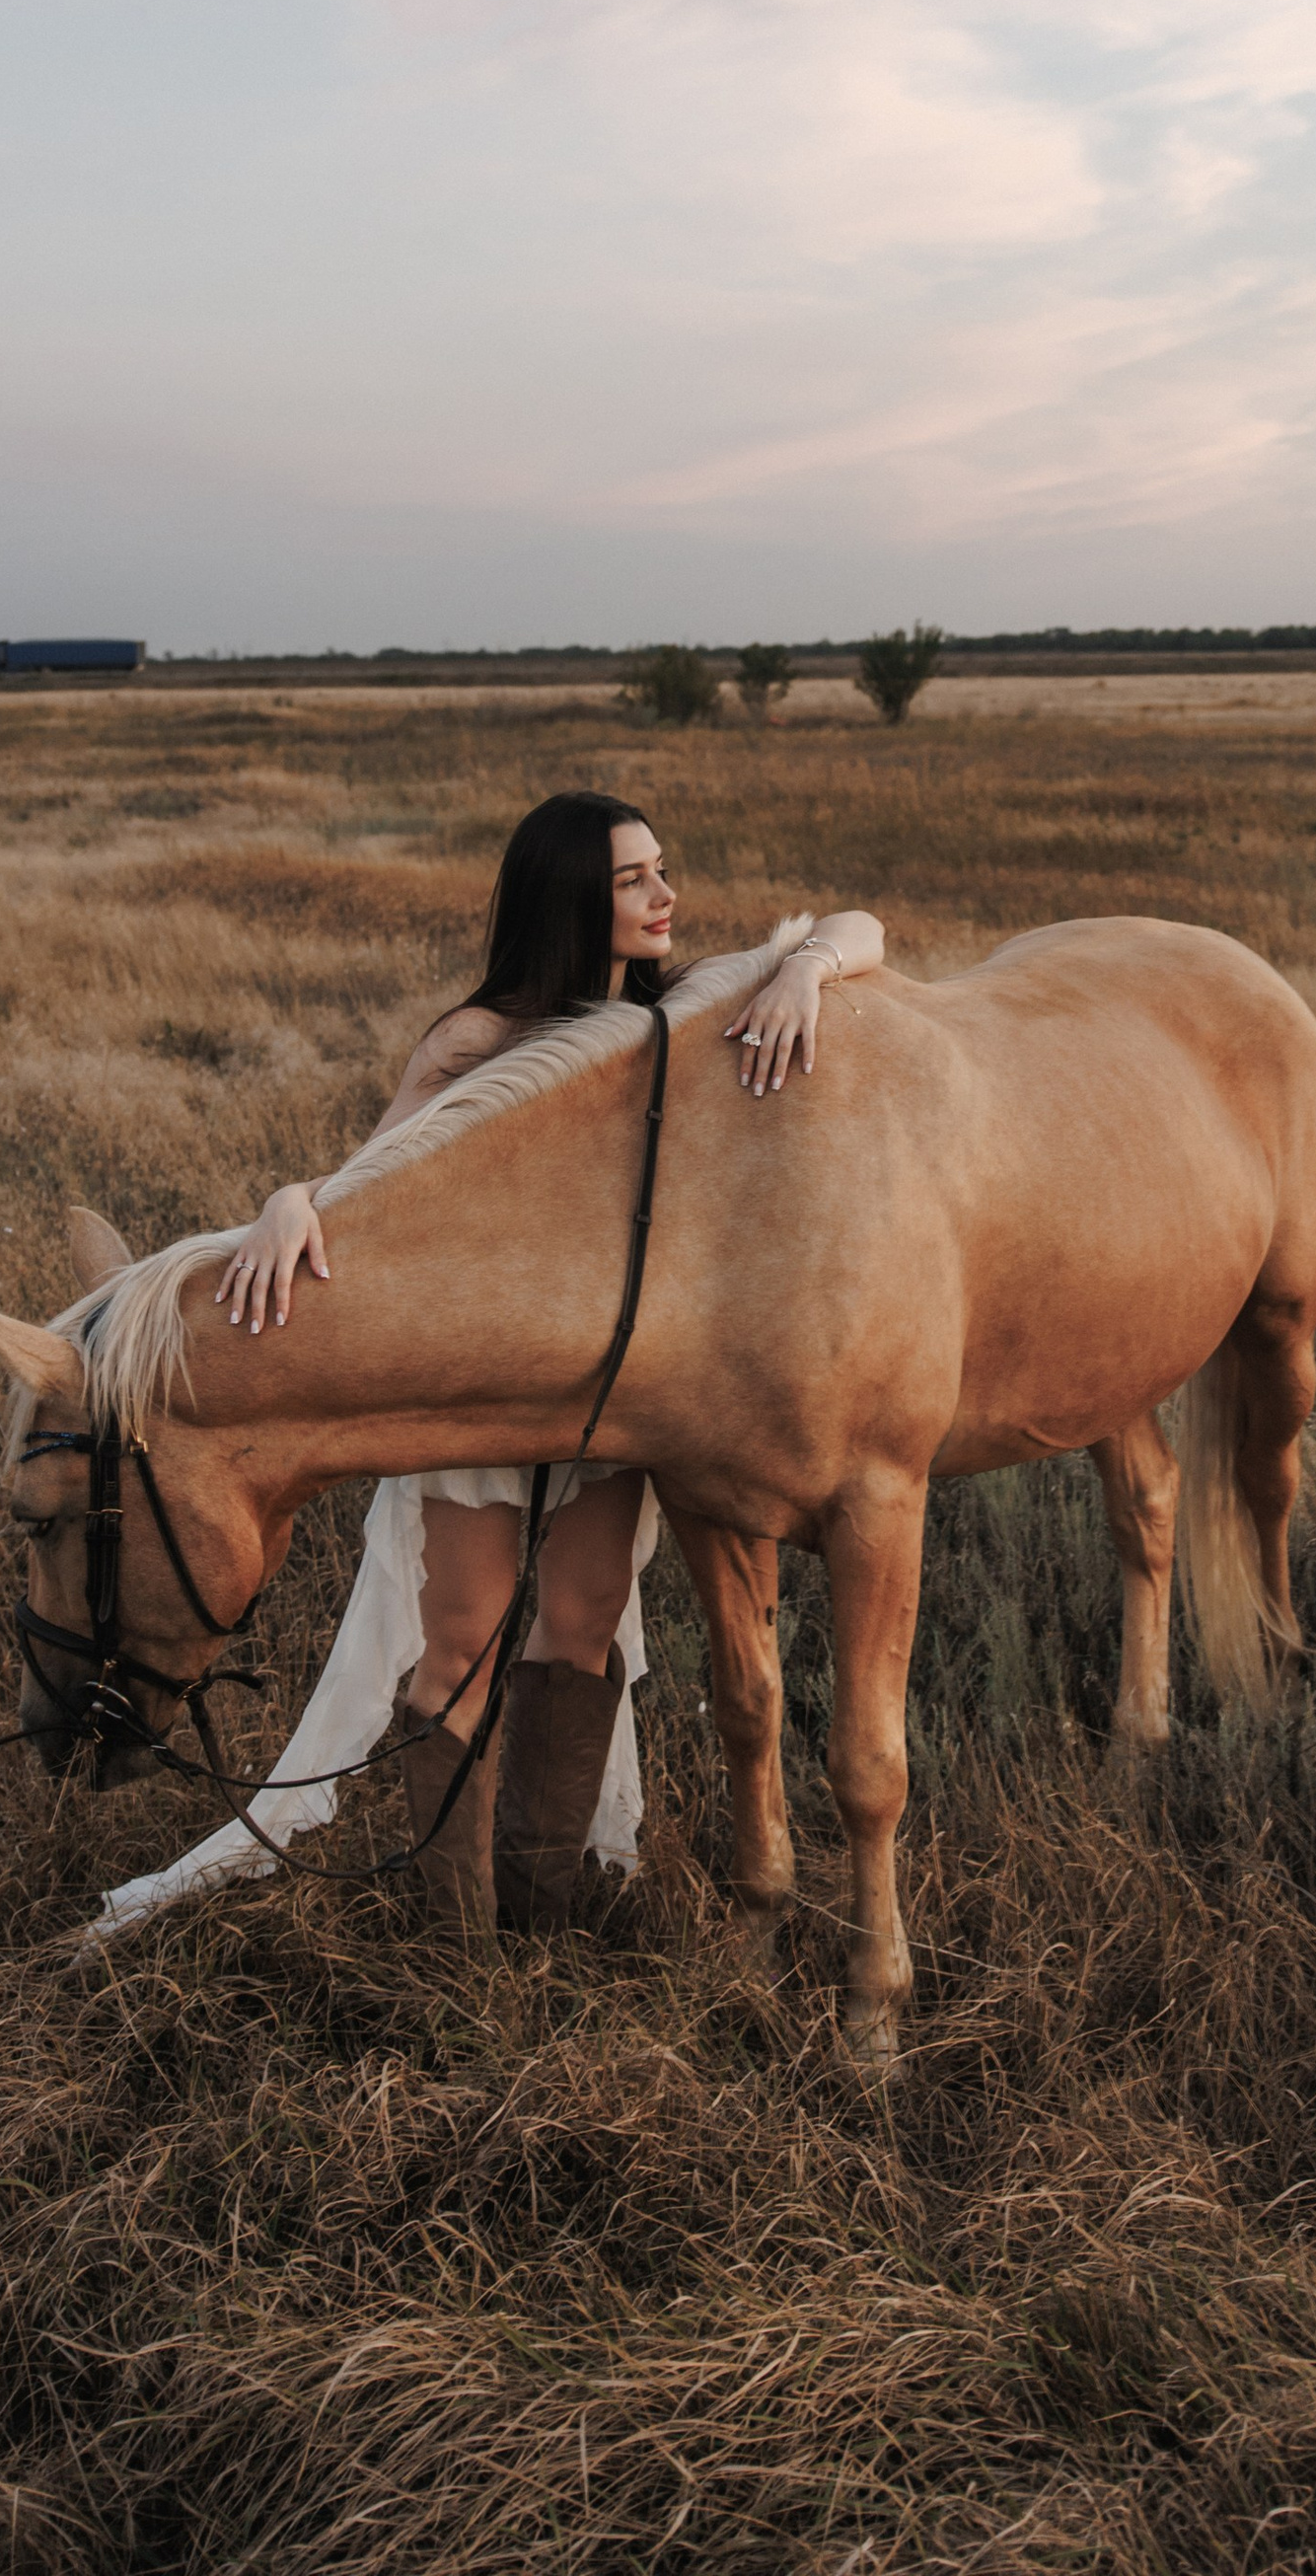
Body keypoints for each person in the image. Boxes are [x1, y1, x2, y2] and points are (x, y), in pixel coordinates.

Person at [86, 791, 882, 1953]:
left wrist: (806, 969)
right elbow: (368, 1186)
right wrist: (282, 1202)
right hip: (477, 1387)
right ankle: (454, 1939)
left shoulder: (680, 1013)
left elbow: (863, 925)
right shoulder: (476, 1041)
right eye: (632, 880)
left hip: (608, 1387)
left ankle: (541, 1918)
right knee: (461, 1635)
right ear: (571, 897)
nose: (665, 896)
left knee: (584, 1622)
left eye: (661, 871)